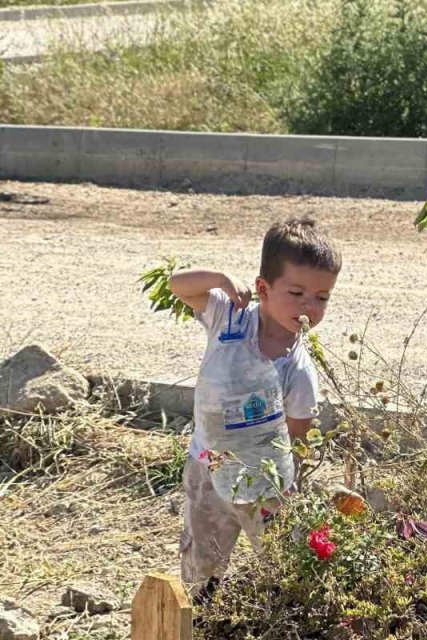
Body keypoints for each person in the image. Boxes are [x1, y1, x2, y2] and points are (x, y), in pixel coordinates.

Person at [169, 217, 341, 596]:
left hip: (265, 485)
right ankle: (201, 617)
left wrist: (287, 485)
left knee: (282, 561)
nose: (308, 307)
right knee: (202, 562)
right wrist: (220, 278)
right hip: (207, 467)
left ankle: (278, 613)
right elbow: (177, 285)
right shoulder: (228, 317)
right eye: (296, 293)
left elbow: (298, 436)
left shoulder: (298, 370)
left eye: (322, 297)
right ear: (263, 288)